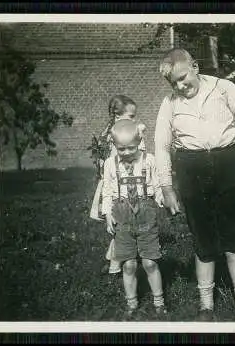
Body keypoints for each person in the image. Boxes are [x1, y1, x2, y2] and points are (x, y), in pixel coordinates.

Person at [154, 48, 235, 321]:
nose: (180, 85)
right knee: (202, 238)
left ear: (195, 67)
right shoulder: (170, 104)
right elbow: (162, 147)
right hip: (191, 169)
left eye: (182, 77)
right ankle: (206, 305)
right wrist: (167, 188)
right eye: (173, 83)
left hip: (229, 164)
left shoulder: (225, 89)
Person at [101, 117, 166, 320]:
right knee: (128, 264)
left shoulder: (149, 160)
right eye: (122, 149)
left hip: (146, 213)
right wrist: (108, 215)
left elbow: (156, 185)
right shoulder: (111, 164)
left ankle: (159, 302)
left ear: (139, 142)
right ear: (115, 146)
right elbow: (107, 191)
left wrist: (162, 199)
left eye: (131, 148)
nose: (127, 153)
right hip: (122, 214)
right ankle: (131, 303)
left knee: (149, 262)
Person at [89, 95, 145, 275]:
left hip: (128, 184)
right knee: (120, 226)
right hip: (116, 187)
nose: (134, 121)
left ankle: (116, 260)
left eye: (134, 117)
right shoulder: (115, 137)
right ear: (116, 116)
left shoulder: (121, 134)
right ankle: (115, 263)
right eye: (131, 117)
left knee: (123, 226)